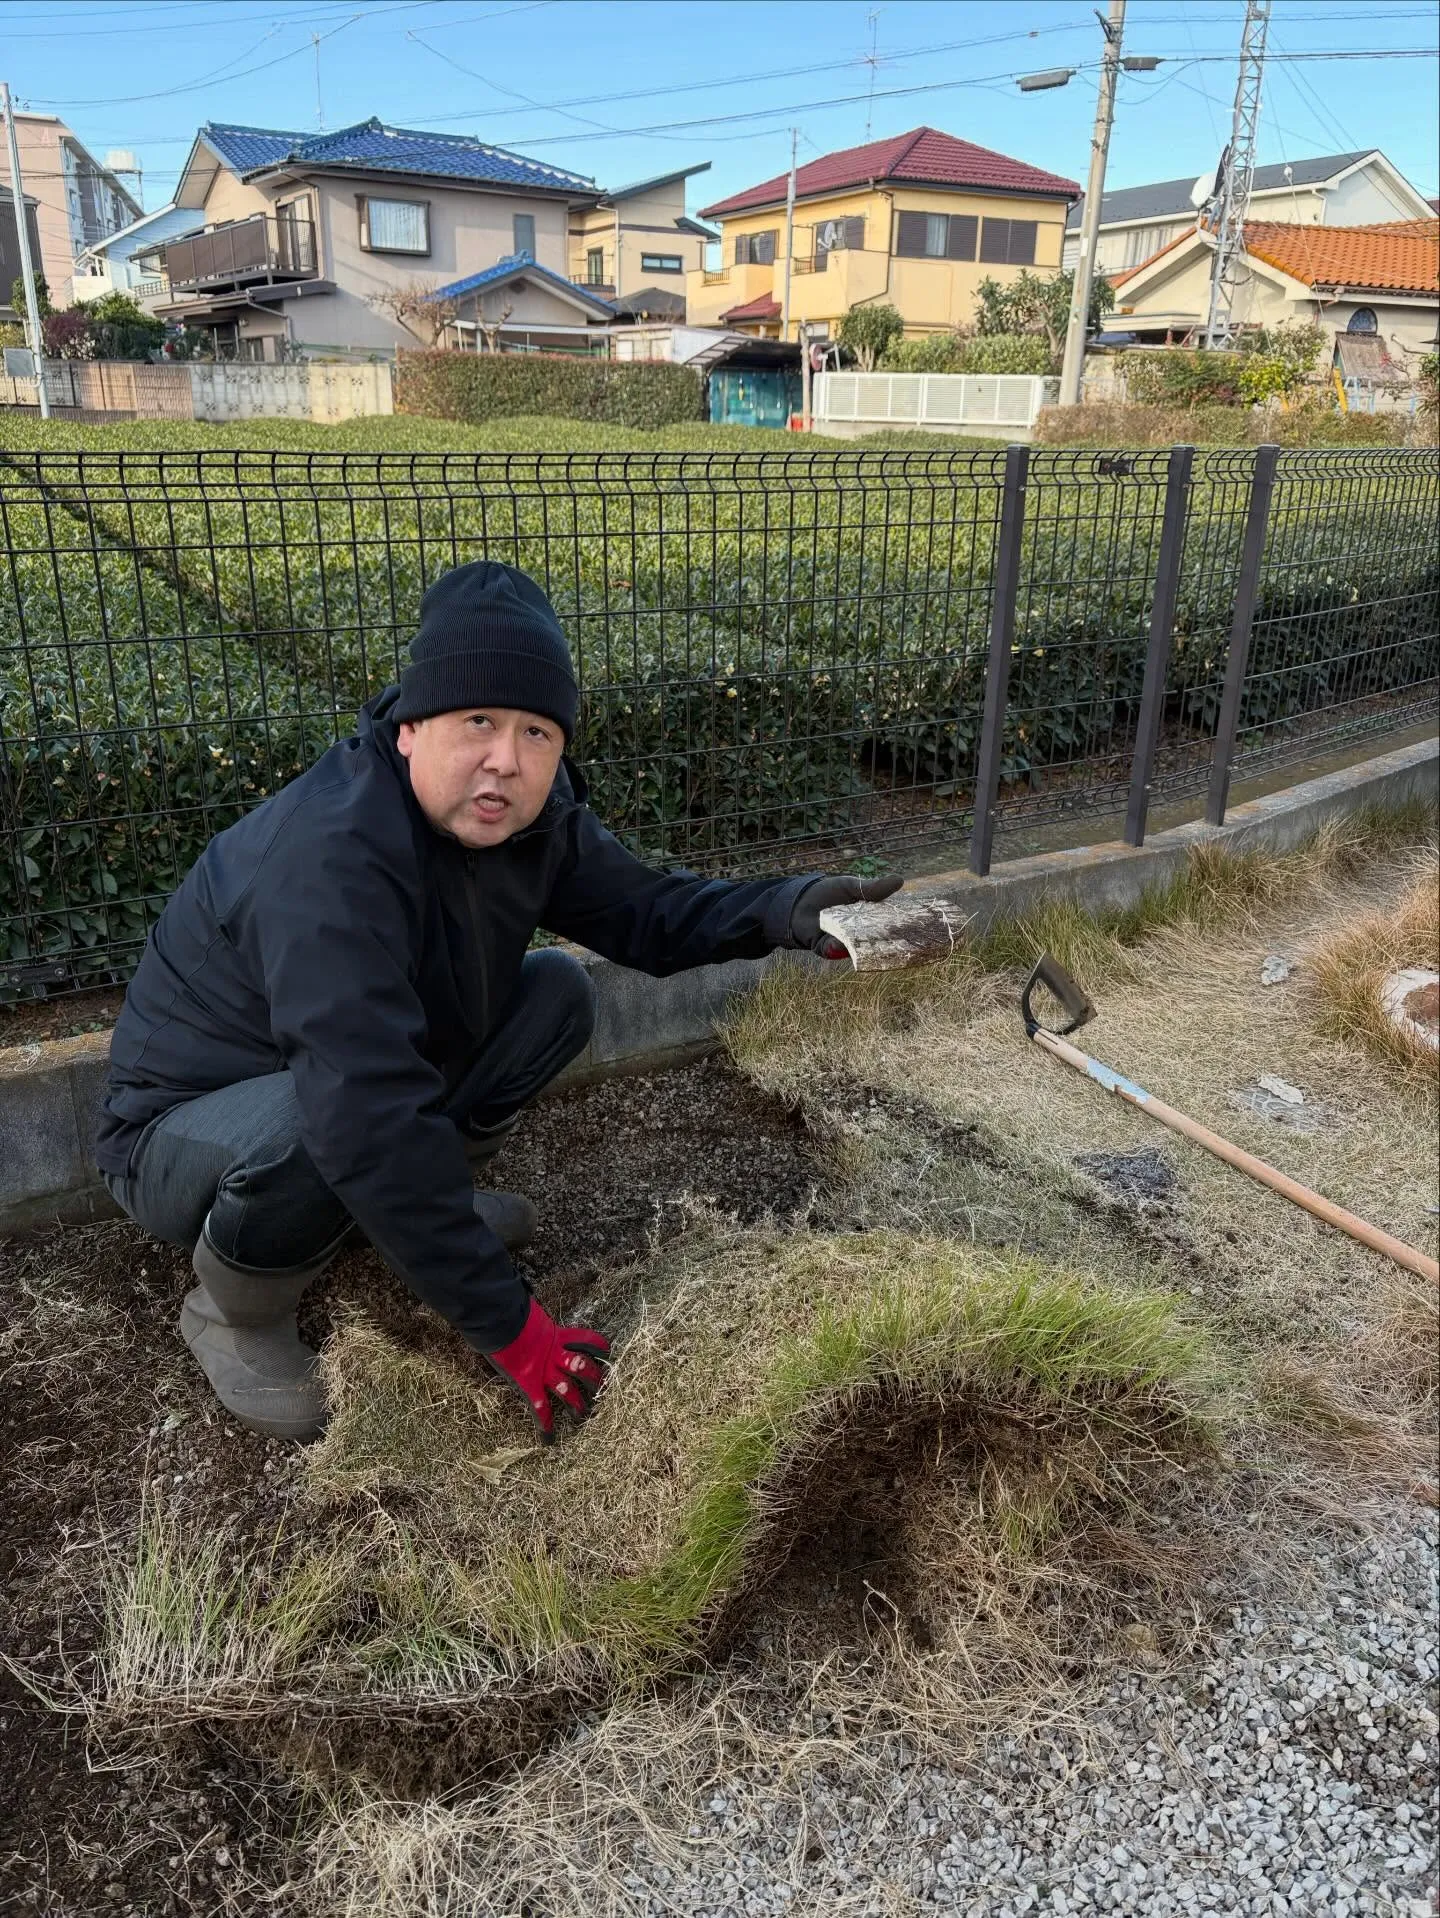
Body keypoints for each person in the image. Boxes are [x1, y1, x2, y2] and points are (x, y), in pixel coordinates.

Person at [96, 561, 900, 1444]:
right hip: (179, 1133)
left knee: (555, 994)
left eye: (537, 732)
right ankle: (234, 1307)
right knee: (331, 1124)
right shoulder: (328, 861)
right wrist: (514, 1331)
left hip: (328, 1093)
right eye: (478, 721)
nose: (506, 760)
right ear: (411, 726)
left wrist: (783, 912)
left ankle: (410, 1208)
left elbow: (646, 913)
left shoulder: (533, 818)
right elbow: (363, 1113)